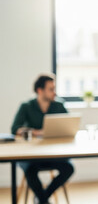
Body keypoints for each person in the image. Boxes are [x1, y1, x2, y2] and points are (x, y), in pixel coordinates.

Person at [11, 74, 74, 204]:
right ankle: (43, 200)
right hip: (31, 155)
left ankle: (42, 198)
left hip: (53, 154)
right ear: (40, 90)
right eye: (51, 89)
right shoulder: (26, 106)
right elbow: (15, 128)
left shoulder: (59, 106)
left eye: (54, 88)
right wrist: (36, 132)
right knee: (29, 170)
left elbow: (70, 125)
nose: (54, 92)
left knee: (68, 168)